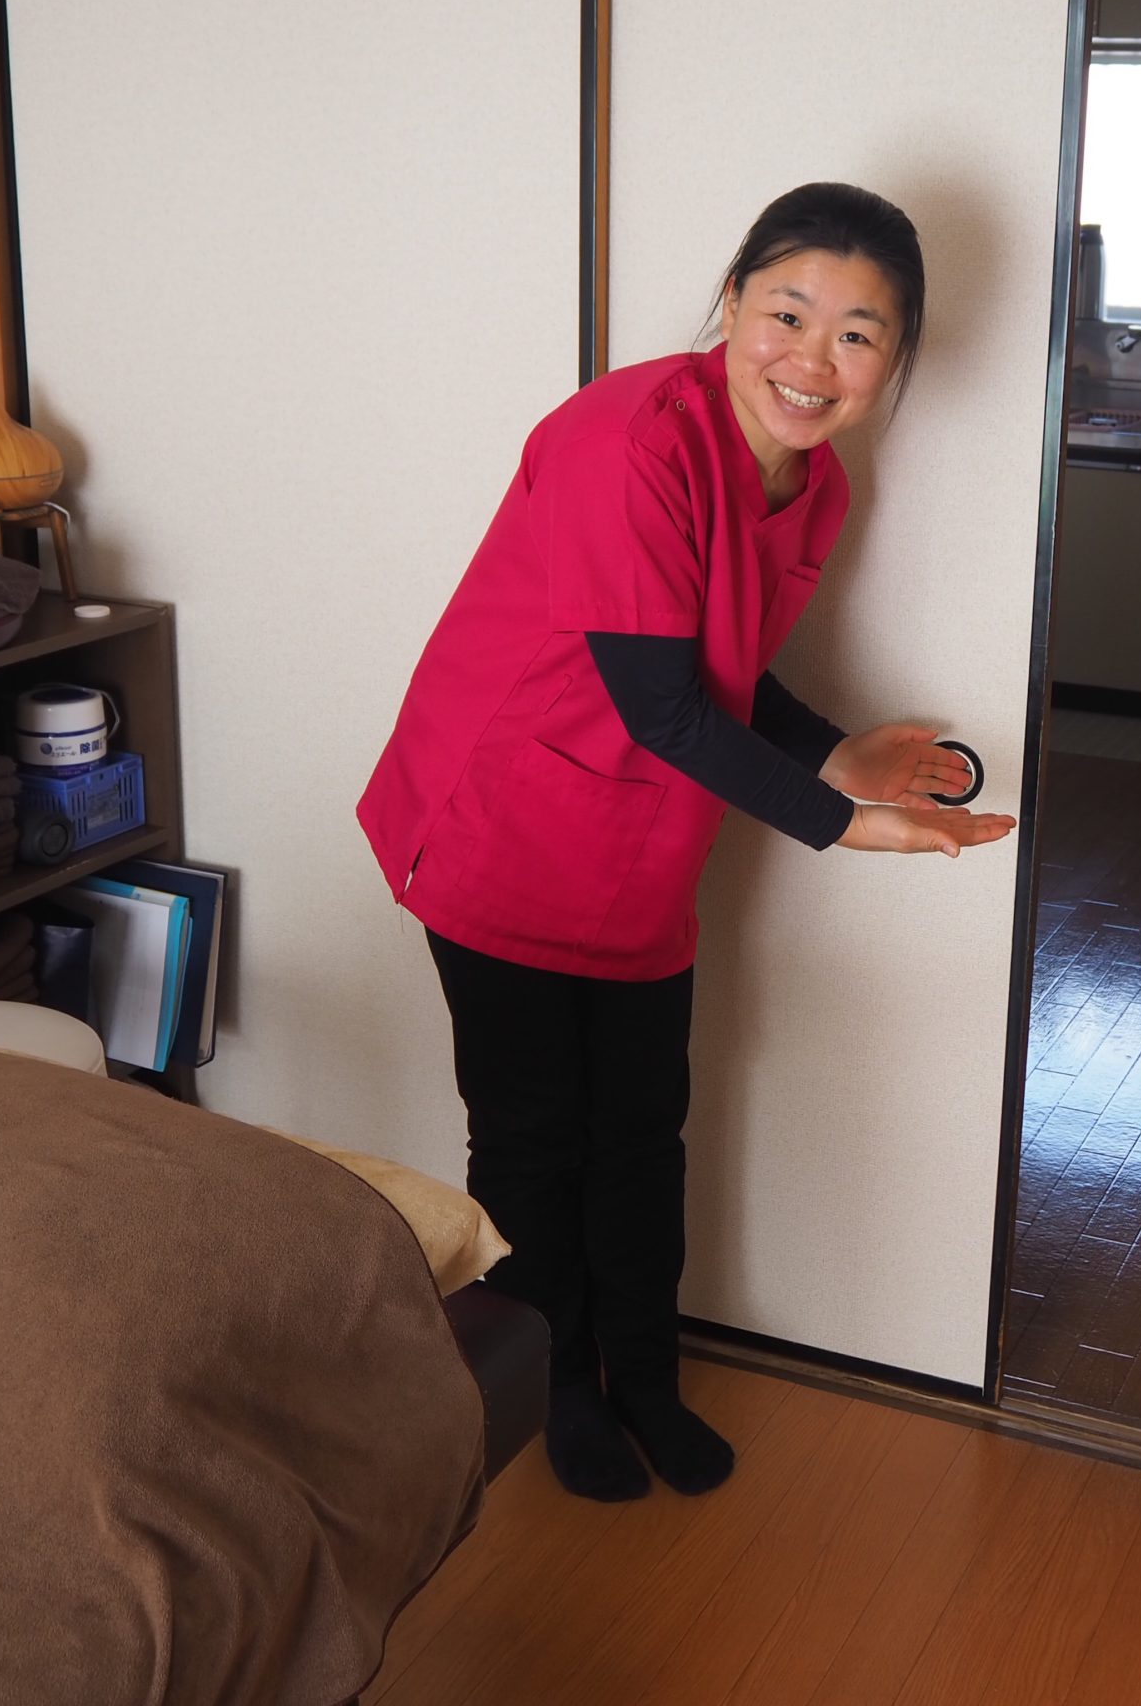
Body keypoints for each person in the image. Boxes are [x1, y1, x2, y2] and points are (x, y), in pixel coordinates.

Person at [357, 182, 1016, 1502]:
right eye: (788, 313)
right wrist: (845, 822)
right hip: (504, 824)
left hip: (640, 849)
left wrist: (835, 753)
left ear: (895, 358)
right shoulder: (628, 441)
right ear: (730, 301)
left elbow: (712, 666)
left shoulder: (813, 485)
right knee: (534, 1141)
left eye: (858, 335)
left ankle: (646, 1380)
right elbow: (660, 702)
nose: (813, 359)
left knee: (643, 1130)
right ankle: (554, 1391)